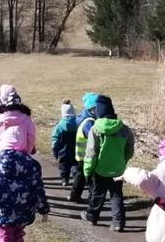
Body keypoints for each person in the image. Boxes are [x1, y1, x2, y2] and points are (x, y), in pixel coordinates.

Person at [80, 95, 134, 231]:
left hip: (100, 169)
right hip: (118, 170)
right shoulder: (124, 129)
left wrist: (87, 170)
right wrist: (123, 161)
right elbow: (130, 150)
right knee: (116, 196)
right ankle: (118, 222)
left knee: (98, 194)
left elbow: (91, 152)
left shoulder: (95, 129)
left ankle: (92, 217)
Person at [67, 92, 100, 203]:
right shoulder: (88, 122)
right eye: (97, 108)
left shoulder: (84, 118)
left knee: (80, 177)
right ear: (91, 109)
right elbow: (93, 136)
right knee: (90, 178)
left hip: (82, 155)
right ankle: (92, 200)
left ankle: (74, 195)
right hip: (87, 155)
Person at [0, 84, 37, 157]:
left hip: (2, 155)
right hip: (22, 155)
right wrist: (27, 152)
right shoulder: (27, 119)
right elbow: (31, 137)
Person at [50, 100, 79, 186]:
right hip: (75, 149)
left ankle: (64, 179)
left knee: (63, 166)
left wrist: (54, 148)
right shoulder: (78, 124)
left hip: (63, 151)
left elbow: (55, 138)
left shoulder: (59, 126)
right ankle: (75, 177)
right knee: (75, 164)